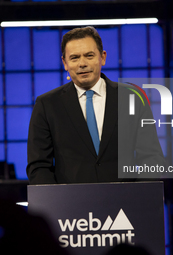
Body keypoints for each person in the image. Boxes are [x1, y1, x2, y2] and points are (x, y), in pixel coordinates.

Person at [26, 26, 165, 184]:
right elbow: (39, 166)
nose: (82, 63)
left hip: (126, 203)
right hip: (70, 205)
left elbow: (151, 158)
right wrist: (56, 205)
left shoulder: (132, 97)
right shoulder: (47, 105)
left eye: (89, 55)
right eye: (74, 58)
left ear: (103, 57)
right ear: (65, 63)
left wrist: (138, 198)